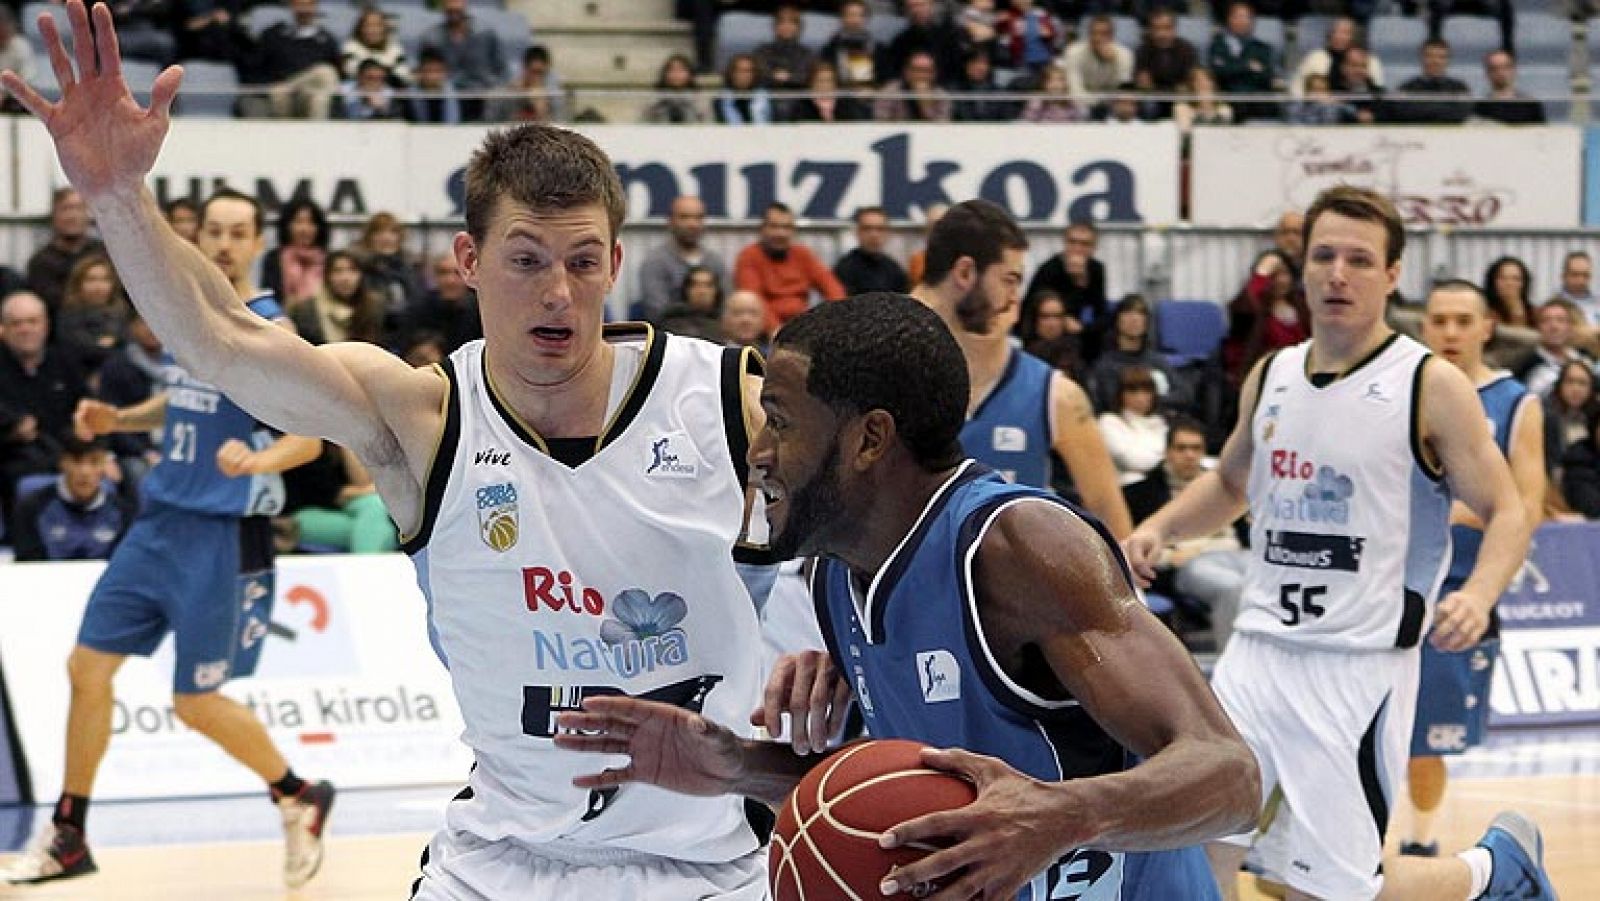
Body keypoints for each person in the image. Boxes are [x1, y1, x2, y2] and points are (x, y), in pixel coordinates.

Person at [1, 10, 779, 896]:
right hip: (498, 866)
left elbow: (890, 511)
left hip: (710, 867)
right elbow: (220, 339)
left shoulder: (729, 403)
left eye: (583, 260)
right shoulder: (423, 417)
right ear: (468, 259)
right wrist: (116, 196)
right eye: (525, 259)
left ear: (615, 264)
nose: (558, 292)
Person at [552, 293, 1257, 900]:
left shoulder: (1017, 547)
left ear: (869, 439)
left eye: (782, 419)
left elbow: (1229, 774)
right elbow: (912, 796)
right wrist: (737, 765)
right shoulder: (837, 574)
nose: (758, 450)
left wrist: (1062, 813)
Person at [1121, 184, 1557, 900]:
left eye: (1359, 259)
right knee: (1194, 857)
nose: (1337, 273)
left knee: (1325, 891)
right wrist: (1161, 527)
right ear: (1300, 267)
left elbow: (1508, 508)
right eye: (1322, 255)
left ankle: (1492, 870)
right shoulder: (1273, 374)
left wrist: (1478, 595)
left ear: (1391, 275)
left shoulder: (1429, 384)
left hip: (1357, 669)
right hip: (1255, 657)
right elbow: (1232, 481)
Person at [1, 189, 331, 888]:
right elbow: (185, 397)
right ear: (198, 236)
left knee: (194, 702)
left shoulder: (271, 330)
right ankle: (68, 836)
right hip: (156, 524)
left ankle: (298, 794)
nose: (223, 243)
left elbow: (310, 436)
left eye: (238, 233)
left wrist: (261, 459)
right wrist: (120, 418)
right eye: (212, 230)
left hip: (221, 537)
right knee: (86, 668)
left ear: (257, 242)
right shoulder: (188, 312)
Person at [1403, 280, 1546, 858]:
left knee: (1425, 739)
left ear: (1488, 326)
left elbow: (1528, 505)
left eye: (1464, 320)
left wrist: (1459, 510)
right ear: (1425, 327)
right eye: (1440, 320)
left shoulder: (1516, 403)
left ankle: (1419, 841)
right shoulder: (1404, 389)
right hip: (1390, 582)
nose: (1451, 332)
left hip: (1458, 588)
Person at [918, 199, 1134, 538]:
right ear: (964, 273)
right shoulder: (880, 366)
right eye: (1010, 280)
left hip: (1009, 585)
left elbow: (1109, 510)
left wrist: (1126, 585)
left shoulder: (1056, 394)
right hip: (895, 584)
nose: (1015, 297)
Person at [1123, 417, 1249, 652]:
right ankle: (1233, 665)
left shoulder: (1230, 486)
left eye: (1196, 448)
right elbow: (1134, 545)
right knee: (1233, 587)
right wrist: (1169, 558)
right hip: (1188, 563)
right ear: (1168, 452)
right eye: (1182, 448)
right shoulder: (1138, 493)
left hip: (1237, 554)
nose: (1190, 455)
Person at [9, 437, 137, 562]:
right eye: (77, 461)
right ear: (62, 463)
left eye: (94, 462)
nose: (85, 471)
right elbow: (26, 564)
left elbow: (125, 565)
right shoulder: (31, 507)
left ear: (104, 465)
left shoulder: (123, 511)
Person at [733, 202, 845, 332]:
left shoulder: (803, 254)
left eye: (786, 227)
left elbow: (833, 289)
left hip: (802, 325)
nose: (781, 233)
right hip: (764, 331)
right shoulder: (749, 256)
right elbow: (755, 301)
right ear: (762, 229)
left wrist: (834, 320)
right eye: (774, 227)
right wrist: (775, 329)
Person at [632, 194, 727, 323]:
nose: (692, 224)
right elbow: (657, 312)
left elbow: (727, 308)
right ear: (670, 221)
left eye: (698, 218)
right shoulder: (655, 262)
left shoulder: (715, 261)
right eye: (684, 217)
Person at [832, 206, 908, 297]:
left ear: (887, 233)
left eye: (880, 229)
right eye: (867, 229)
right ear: (857, 232)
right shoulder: (844, 269)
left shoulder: (895, 270)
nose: (874, 235)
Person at [1474, 50, 1544, 124]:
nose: (1500, 72)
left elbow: (1542, 133)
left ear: (1514, 70)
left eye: (1505, 67)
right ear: (1487, 73)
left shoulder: (1530, 104)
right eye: (1494, 68)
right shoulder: (1480, 106)